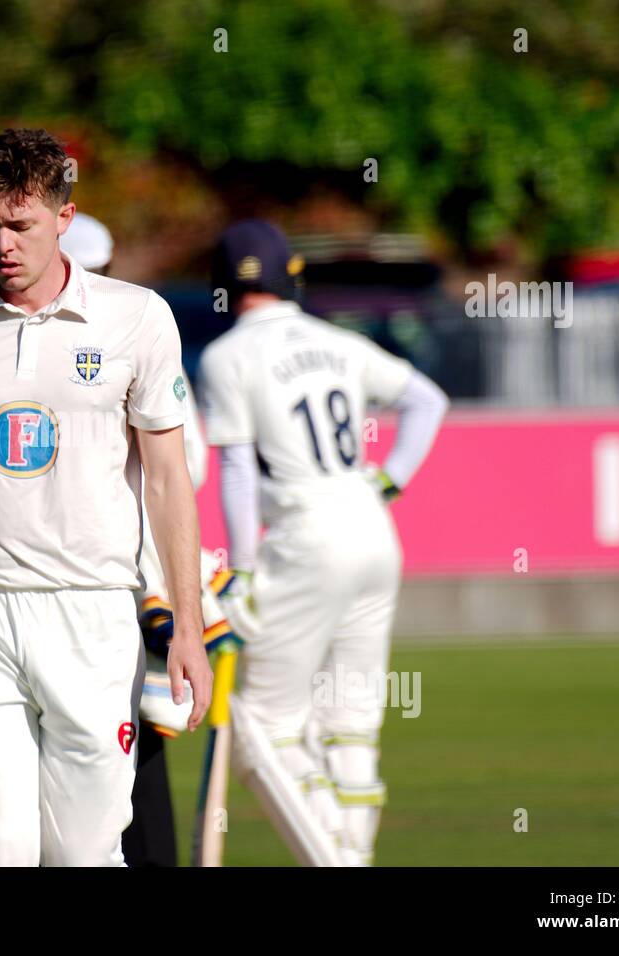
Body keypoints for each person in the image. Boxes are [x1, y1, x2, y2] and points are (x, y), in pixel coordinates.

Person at [0, 128, 213, 866]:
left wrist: (186, 624)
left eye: (21, 226)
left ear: (65, 218)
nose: (3, 245)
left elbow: (166, 480)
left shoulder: (137, 318)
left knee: (83, 855)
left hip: (93, 611)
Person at [198, 219, 447, 866]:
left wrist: (244, 569)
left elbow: (235, 470)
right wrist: (391, 479)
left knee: (261, 729)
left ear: (222, 286)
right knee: (351, 724)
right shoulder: (337, 341)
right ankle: (351, 854)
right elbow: (427, 400)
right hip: (373, 532)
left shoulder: (226, 358)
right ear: (293, 277)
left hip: (307, 538)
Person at [61, 211, 226, 867]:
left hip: (119, 584)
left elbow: (184, 468)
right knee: (127, 747)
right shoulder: (132, 324)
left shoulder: (125, 330)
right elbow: (199, 465)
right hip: (116, 581)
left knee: (116, 750)